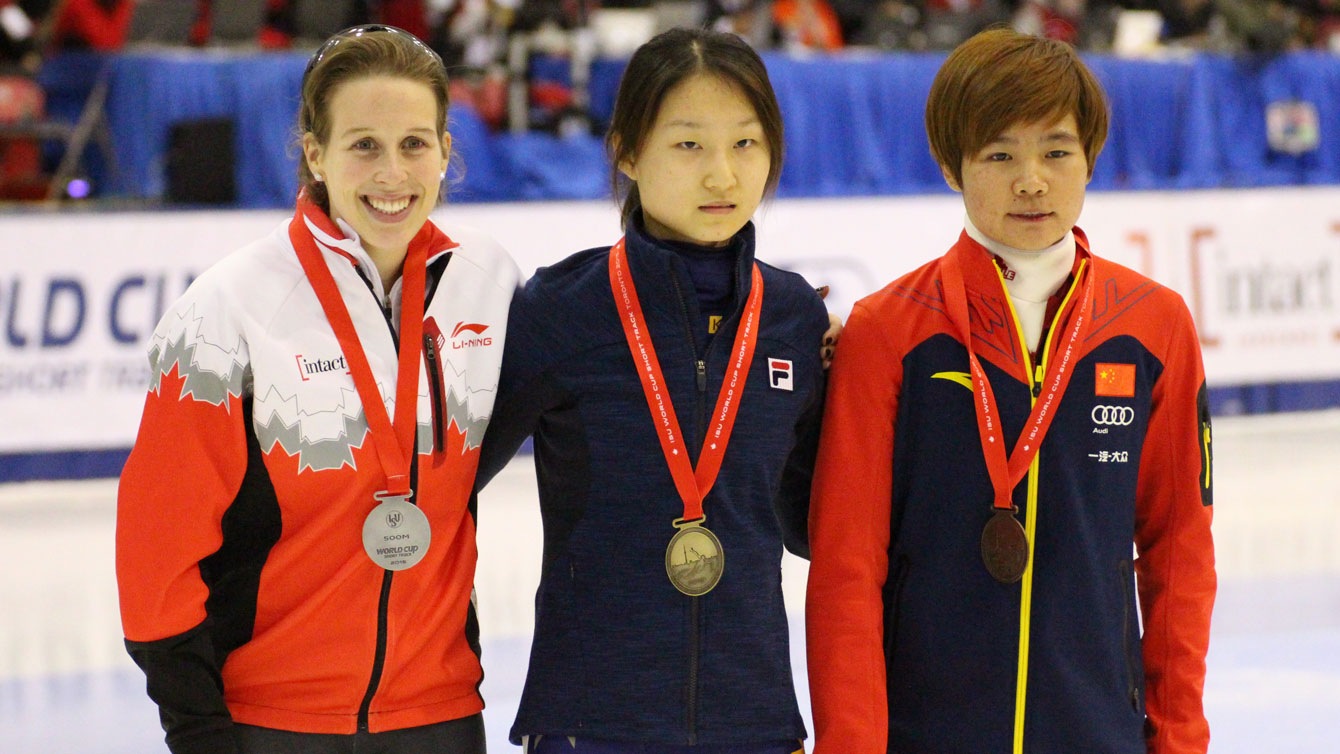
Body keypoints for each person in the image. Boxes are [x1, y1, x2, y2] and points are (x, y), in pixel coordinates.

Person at [806, 28, 1216, 754]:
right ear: (949, 166)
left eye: (1057, 151)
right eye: (999, 154)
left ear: (1090, 157)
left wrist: (1178, 739)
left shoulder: (1154, 326)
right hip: (925, 736)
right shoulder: (890, 332)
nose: (1032, 180)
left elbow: (1178, 553)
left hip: (1099, 732)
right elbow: (846, 567)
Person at [115, 25, 519, 754]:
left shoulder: (490, 288)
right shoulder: (226, 309)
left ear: (446, 152)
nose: (392, 173)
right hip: (272, 722)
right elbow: (155, 556)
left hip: (442, 717)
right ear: (315, 155)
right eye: (363, 144)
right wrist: (200, 731)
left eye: (414, 144)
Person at [475, 26, 828, 754]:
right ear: (628, 152)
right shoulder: (563, 311)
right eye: (689, 145)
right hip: (592, 723)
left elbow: (808, 525)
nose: (723, 177)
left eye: (746, 143)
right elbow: (449, 483)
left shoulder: (793, 319)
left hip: (753, 721)